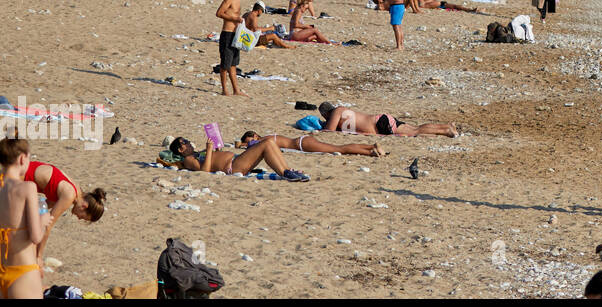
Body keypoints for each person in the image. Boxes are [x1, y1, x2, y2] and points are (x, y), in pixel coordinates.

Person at [22, 159, 105, 263]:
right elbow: (48, 226)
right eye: (83, 217)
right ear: (84, 206)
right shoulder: (69, 195)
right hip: (20, 175)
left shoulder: (76, 189)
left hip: (23, 169)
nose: (79, 218)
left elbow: (45, 206)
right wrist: (39, 257)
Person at [0, 138, 47, 299]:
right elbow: (35, 236)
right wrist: (44, 220)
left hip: (3, 269)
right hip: (23, 271)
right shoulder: (27, 187)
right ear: (22, 158)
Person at [169, 136, 308, 181]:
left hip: (235, 161)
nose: (188, 142)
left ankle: (288, 170)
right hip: (233, 166)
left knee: (270, 142)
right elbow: (204, 170)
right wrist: (210, 150)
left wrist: (215, 149)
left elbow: (211, 160)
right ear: (181, 150)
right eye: (185, 142)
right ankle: (284, 173)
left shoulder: (197, 154)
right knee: (266, 143)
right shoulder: (188, 160)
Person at [318, 103, 457, 138]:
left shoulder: (337, 112)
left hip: (380, 124)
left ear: (325, 113)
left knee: (416, 131)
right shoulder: (343, 110)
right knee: (416, 128)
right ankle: (446, 127)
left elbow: (329, 130)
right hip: (381, 119)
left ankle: (447, 130)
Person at [214, 0, 248, 96]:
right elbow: (219, 13)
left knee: (233, 64)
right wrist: (234, 19)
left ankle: (236, 90)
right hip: (227, 34)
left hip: (236, 35)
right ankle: (224, 90)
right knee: (225, 65)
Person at [237, 131, 383, 157]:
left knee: (341, 149)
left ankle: (370, 152)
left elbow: (254, 145)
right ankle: (371, 147)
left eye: (250, 140)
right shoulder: (268, 138)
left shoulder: (264, 140)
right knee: (338, 147)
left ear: (255, 136)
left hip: (301, 145)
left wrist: (241, 145)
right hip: (302, 140)